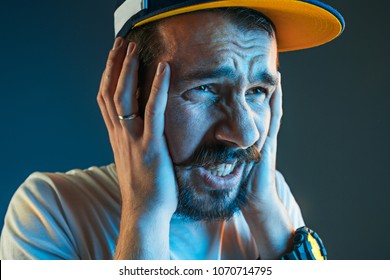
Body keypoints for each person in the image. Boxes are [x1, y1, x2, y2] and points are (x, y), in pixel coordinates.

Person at [0, 0, 344, 260]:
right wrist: (144, 215)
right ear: (130, 92)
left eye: (257, 92)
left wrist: (269, 215)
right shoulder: (50, 211)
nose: (245, 134)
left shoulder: (270, 199)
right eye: (206, 88)